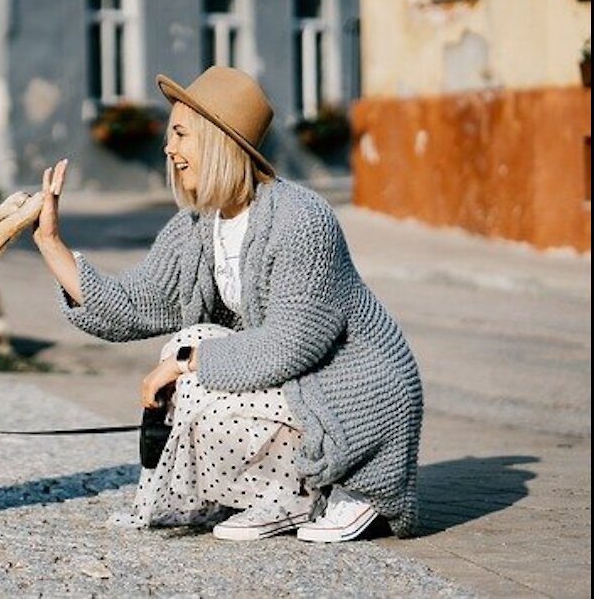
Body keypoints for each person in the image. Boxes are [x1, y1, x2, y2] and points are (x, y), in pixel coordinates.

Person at [32, 66, 423, 542]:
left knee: (191, 363)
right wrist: (52, 244)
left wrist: (183, 365)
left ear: (218, 140)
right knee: (189, 343)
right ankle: (277, 496)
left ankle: (340, 488)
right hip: (298, 386)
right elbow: (134, 304)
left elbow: (290, 345)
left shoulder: (302, 220)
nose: (168, 148)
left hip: (354, 395)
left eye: (180, 134)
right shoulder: (199, 225)